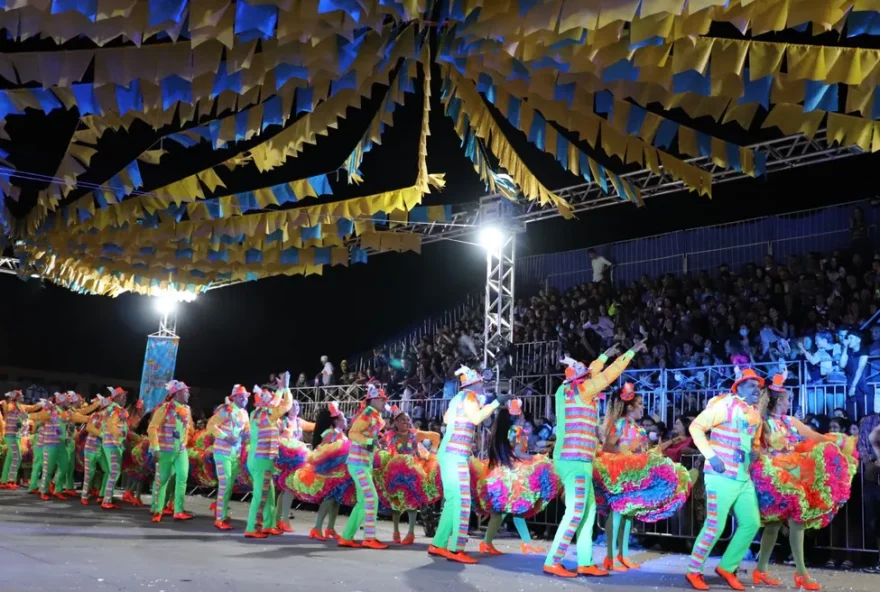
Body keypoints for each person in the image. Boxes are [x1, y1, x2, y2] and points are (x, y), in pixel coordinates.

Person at [543, 341, 644, 579]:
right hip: (575, 460)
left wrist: (603, 355)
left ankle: (585, 561)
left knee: (588, 511)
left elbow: (597, 372)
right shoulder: (581, 391)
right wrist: (629, 353)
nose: (591, 376)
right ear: (581, 379)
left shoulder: (566, 391)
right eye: (587, 374)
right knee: (577, 511)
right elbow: (607, 376)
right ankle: (553, 560)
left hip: (577, 460)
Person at [751, 373, 859, 591]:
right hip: (773, 476)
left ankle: (798, 573)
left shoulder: (790, 421)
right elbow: (757, 449)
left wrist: (839, 441)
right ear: (779, 401)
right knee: (772, 525)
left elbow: (815, 437)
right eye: (788, 400)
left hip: (793, 476)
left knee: (795, 521)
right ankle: (764, 569)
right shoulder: (763, 423)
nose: (790, 403)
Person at [597, 383, 692, 572]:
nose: (642, 407)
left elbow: (647, 452)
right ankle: (610, 557)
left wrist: (670, 443)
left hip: (635, 472)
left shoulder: (637, 427)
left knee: (628, 515)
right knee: (618, 513)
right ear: (630, 407)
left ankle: (623, 555)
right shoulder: (620, 424)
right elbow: (608, 447)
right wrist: (627, 453)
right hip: (621, 472)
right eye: (639, 404)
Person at [685, 368, 764, 591]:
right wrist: (711, 455)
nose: (756, 390)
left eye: (758, 387)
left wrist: (754, 453)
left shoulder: (755, 413)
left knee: (751, 523)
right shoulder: (724, 405)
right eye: (751, 386)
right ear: (738, 387)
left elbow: (753, 443)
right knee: (714, 526)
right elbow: (696, 427)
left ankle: (727, 567)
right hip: (720, 475)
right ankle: (693, 570)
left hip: (742, 477)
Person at [429, 366, 507, 564]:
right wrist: (496, 402)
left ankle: (438, 544)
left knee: (453, 501)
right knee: (463, 500)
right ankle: (456, 549)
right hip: (456, 454)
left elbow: (447, 418)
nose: (483, 385)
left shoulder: (458, 398)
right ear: (475, 383)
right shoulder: (470, 397)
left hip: (448, 452)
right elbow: (476, 418)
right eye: (481, 382)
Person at [476, 398, 558, 556]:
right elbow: (518, 453)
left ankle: (487, 543)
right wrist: (534, 458)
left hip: (501, 473)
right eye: (518, 412)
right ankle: (523, 543)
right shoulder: (516, 430)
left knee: (502, 512)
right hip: (513, 474)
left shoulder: (504, 431)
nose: (521, 415)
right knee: (514, 511)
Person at [340, 379, 389, 549]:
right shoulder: (368, 414)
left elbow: (368, 434)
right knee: (371, 498)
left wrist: (376, 440)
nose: (385, 402)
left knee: (363, 502)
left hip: (363, 463)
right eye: (382, 400)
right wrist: (370, 441)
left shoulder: (373, 415)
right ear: (373, 400)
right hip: (358, 463)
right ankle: (369, 537)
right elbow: (353, 433)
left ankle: (346, 537)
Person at [381, 405, 441, 545]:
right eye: (402, 420)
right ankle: (396, 531)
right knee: (396, 503)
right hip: (395, 473)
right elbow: (379, 444)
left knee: (412, 503)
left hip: (412, 473)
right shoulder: (390, 435)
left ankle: (411, 532)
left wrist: (431, 453)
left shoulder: (415, 434)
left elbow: (436, 436)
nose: (406, 423)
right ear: (395, 422)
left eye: (407, 420)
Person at [244, 373, 293, 538]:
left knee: (269, 493)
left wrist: (281, 390)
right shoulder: (267, 414)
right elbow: (287, 404)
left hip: (259, 459)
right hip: (262, 460)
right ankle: (252, 527)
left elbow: (280, 404)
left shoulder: (257, 414)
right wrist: (284, 388)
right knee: (261, 495)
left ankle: (268, 524)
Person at [292, 402, 348, 541]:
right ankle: (317, 528)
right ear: (336, 421)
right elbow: (322, 449)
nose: (345, 419)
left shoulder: (341, 434)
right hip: (329, 473)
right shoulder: (330, 433)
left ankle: (330, 528)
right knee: (329, 499)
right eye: (343, 417)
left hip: (339, 472)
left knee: (336, 501)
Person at [28, 392, 99, 500]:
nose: (69, 402)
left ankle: (58, 490)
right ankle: (44, 491)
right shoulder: (51, 412)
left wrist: (92, 418)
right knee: (48, 469)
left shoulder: (68, 413)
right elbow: (37, 416)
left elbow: (80, 417)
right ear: (61, 401)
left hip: (61, 444)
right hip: (50, 444)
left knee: (65, 467)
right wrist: (25, 415)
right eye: (67, 400)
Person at [147, 380, 195, 523]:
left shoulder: (187, 409)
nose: (188, 394)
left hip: (181, 451)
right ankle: (158, 510)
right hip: (165, 450)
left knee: (182, 478)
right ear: (177, 393)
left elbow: (188, 429)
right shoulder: (165, 408)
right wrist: (156, 448)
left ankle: (178, 511)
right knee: (162, 481)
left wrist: (187, 440)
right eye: (186, 391)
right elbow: (152, 428)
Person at [206, 385, 250, 530]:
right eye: (241, 396)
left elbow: (246, 430)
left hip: (235, 454)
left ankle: (220, 511)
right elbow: (211, 426)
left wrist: (246, 435)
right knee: (225, 484)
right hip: (222, 452)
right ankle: (219, 518)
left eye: (245, 397)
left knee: (229, 485)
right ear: (234, 398)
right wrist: (225, 437)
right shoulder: (225, 410)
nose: (244, 399)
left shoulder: (244, 413)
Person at [275, 399, 313, 533]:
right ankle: (283, 519)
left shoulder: (299, 421)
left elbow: (314, 426)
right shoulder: (282, 421)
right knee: (288, 488)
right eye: (293, 405)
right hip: (286, 458)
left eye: (297, 405)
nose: (295, 407)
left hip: (297, 458)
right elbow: (276, 435)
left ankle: (279, 518)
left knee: (287, 489)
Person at [99, 387, 131, 509]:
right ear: (116, 397)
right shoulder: (114, 410)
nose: (125, 398)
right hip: (112, 444)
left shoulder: (116, 409)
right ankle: (106, 500)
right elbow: (112, 426)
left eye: (125, 396)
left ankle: (107, 497)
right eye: (122, 396)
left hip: (113, 443)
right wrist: (119, 438)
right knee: (114, 472)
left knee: (114, 472)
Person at [1, 391, 39, 489]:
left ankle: (4, 480)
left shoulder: (20, 408)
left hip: (16, 436)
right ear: (16, 397)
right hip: (11, 436)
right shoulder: (12, 405)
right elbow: (7, 408)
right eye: (20, 396)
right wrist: (7, 402)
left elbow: (31, 410)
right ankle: (11, 480)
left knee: (10, 458)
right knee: (17, 457)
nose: (23, 397)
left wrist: (42, 404)